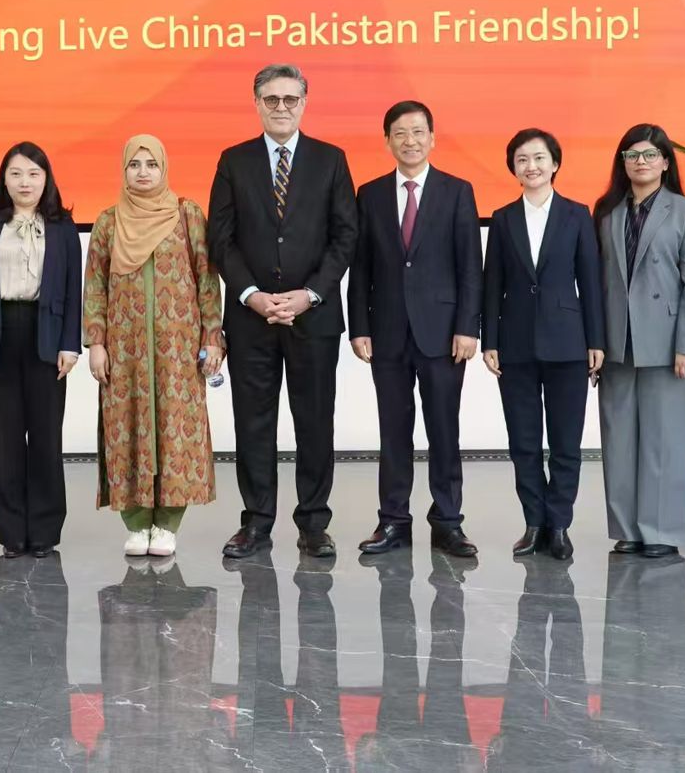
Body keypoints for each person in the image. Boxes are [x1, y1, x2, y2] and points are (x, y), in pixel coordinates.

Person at [208, 64, 357, 559]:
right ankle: (256, 523)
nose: (281, 107)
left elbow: (345, 237)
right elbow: (220, 239)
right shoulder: (233, 161)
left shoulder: (331, 160)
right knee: (253, 424)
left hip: (314, 317)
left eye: (290, 99)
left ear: (304, 103)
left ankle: (313, 524)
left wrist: (309, 294)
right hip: (251, 319)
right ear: (256, 103)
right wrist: (251, 294)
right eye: (271, 99)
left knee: (314, 422)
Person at [348, 101, 483, 558]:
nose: (410, 140)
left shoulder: (457, 191)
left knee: (444, 429)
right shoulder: (369, 194)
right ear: (387, 140)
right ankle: (393, 521)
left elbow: (470, 266)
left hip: (443, 334)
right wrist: (359, 326)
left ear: (432, 138)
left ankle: (448, 523)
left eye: (418, 132)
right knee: (393, 430)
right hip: (386, 331)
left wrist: (467, 327)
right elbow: (360, 267)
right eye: (400, 133)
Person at [85, 134, 223, 556]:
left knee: (176, 429)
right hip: (123, 351)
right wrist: (96, 342)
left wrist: (213, 337)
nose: (143, 172)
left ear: (164, 169)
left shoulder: (187, 215)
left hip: (178, 350)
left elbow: (206, 280)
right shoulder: (109, 221)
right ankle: (136, 522)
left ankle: (167, 524)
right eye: (134, 165)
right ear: (123, 171)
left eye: (151, 165)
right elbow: (95, 287)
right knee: (127, 427)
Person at [482, 128, 604, 561]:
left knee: (566, 442)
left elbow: (590, 281)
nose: (530, 166)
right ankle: (533, 523)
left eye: (538, 158)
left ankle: (560, 525)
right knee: (524, 441)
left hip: (569, 343)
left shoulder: (577, 214)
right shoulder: (502, 218)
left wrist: (596, 340)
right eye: (522, 160)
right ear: (513, 169)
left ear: (555, 164)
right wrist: (490, 340)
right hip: (514, 344)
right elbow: (492, 283)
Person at [592, 123, 685, 558]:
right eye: (632, 155)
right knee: (618, 439)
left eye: (649, 154)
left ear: (665, 162)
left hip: (667, 343)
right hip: (616, 341)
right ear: (622, 162)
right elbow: (596, 283)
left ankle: (661, 531)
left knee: (666, 439)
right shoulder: (606, 211)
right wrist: (594, 343)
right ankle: (627, 529)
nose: (640, 162)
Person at [0, 142, 82, 558]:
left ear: (46, 179)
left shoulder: (63, 228)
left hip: (46, 334)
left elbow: (73, 291)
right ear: (4, 180)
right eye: (15, 174)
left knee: (46, 436)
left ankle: (44, 530)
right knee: (4, 439)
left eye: (33, 173)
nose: (24, 182)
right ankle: (11, 532)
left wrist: (70, 345)